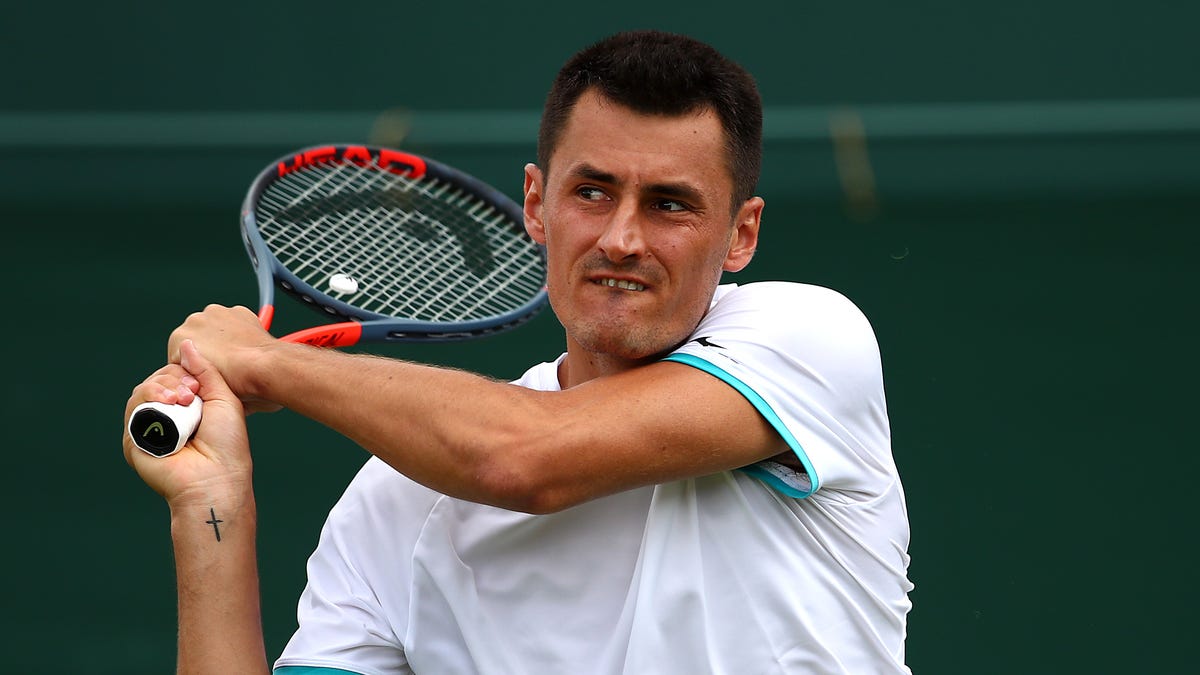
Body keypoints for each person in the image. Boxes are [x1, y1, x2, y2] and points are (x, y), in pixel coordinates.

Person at [123, 30, 913, 674]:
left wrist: (269, 363)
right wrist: (208, 504)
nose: (621, 238)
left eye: (669, 204)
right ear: (537, 204)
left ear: (742, 234)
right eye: (592, 191)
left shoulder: (810, 338)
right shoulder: (398, 498)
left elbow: (523, 457)